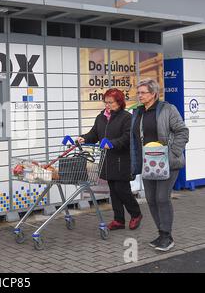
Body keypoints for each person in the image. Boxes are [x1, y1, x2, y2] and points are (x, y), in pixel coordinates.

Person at [130, 79, 189, 252]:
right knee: (151, 199)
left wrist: (172, 154)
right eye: (138, 92)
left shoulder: (168, 109)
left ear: (154, 94)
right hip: (148, 163)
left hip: (168, 162)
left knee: (162, 198)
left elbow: (182, 132)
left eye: (143, 92)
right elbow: (134, 138)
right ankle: (161, 233)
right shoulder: (138, 112)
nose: (139, 95)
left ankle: (167, 236)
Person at [78, 88, 143, 231]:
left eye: (110, 102)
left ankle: (136, 213)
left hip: (121, 160)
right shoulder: (101, 117)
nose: (107, 105)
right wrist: (84, 138)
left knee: (122, 189)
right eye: (105, 102)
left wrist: (112, 143)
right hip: (107, 160)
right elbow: (94, 134)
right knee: (113, 190)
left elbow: (127, 138)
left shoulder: (126, 118)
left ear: (119, 102)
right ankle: (119, 220)